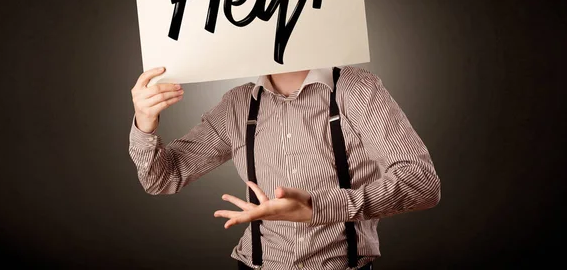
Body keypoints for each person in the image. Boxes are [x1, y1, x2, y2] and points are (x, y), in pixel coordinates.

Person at [129, 65, 440, 270]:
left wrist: (319, 207)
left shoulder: (355, 89)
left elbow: (422, 182)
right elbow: (162, 178)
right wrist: (144, 122)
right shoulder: (238, 104)